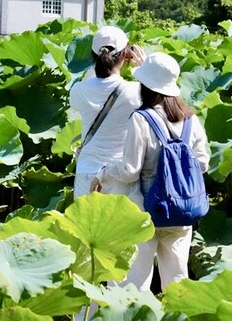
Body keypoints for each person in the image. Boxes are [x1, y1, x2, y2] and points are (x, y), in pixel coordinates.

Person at [90, 52, 209, 292]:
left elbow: (130, 171)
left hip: (147, 211)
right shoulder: (190, 119)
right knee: (177, 281)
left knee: (135, 284)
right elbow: (203, 163)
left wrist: (102, 173)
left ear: (145, 87)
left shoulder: (142, 119)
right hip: (183, 212)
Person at [70, 26, 145, 199]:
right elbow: (158, 97)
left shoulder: (79, 91)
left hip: (86, 174)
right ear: (126, 54)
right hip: (118, 173)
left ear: (94, 56)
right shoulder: (135, 91)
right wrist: (142, 69)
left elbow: (89, 82)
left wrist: (96, 65)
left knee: (85, 225)